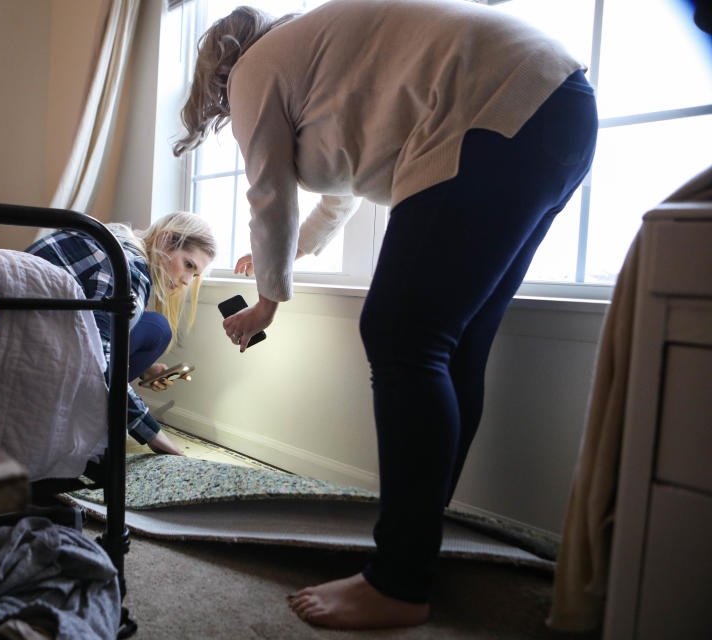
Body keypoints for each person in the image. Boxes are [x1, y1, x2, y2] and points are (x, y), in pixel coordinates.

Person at [173, 0, 597, 630]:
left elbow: (269, 190)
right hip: (556, 109)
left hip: (494, 110)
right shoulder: (323, 56)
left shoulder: (256, 68)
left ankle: (397, 579)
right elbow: (338, 195)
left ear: (220, 71)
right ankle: (418, 544)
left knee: (400, 335)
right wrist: (284, 260)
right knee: (453, 348)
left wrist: (267, 300)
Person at [26, 212, 216, 456]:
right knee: (158, 328)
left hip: (30, 325)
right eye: (189, 265)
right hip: (39, 353)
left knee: (155, 326)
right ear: (165, 240)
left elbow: (91, 326)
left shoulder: (115, 239)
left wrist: (146, 370)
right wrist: (154, 436)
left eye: (195, 274)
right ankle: (86, 424)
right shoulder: (129, 269)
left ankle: (95, 417)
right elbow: (95, 359)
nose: (188, 281)